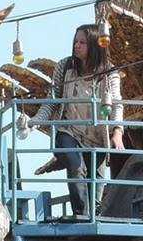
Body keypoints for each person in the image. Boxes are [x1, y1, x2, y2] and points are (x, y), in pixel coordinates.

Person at [30, 23, 123, 219]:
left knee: (96, 185)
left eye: (82, 42)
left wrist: (117, 131)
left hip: (98, 138)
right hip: (69, 131)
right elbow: (52, 99)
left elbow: (116, 104)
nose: (77, 46)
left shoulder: (109, 74)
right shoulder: (65, 68)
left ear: (94, 45)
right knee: (76, 166)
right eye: (75, 42)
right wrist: (38, 119)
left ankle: (92, 219)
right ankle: (80, 216)